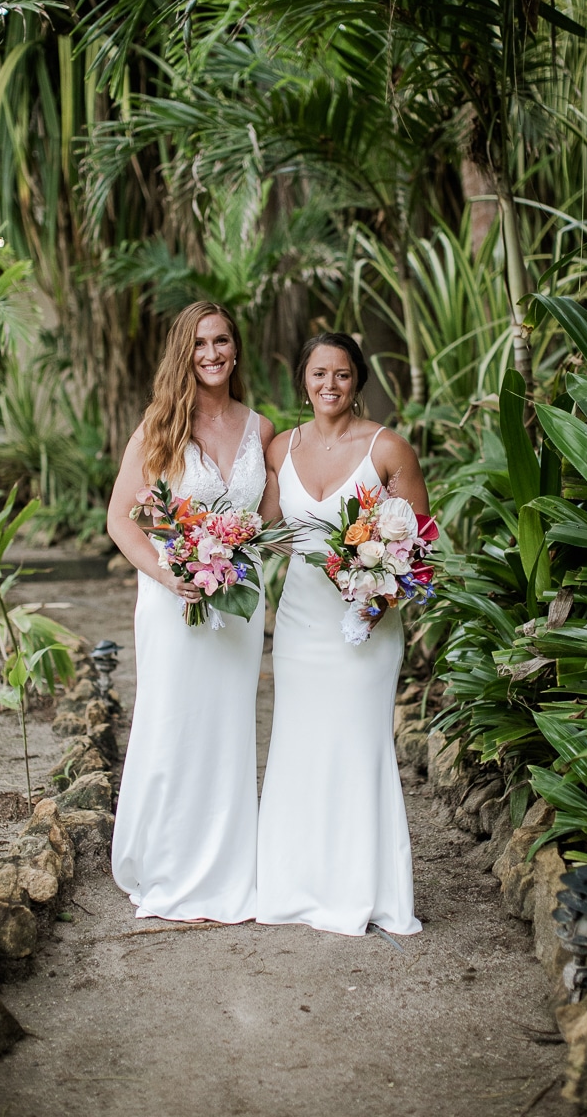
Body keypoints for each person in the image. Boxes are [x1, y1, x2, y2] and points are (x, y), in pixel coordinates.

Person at [256, 332, 429, 937]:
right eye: (319, 374)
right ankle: (295, 886)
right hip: (301, 622)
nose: (330, 386)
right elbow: (263, 527)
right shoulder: (280, 447)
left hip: (366, 626)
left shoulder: (387, 449)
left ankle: (362, 889)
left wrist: (376, 600)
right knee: (301, 745)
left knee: (357, 748)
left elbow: (418, 548)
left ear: (358, 382)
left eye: (343, 376)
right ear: (303, 380)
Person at [107, 301, 274, 923]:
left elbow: (273, 517)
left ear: (236, 349)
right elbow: (121, 518)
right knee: (174, 723)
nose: (212, 353)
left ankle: (229, 866)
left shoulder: (261, 429)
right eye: (200, 343)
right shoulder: (161, 428)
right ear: (185, 352)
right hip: (173, 601)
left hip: (239, 604)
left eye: (222, 341)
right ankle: (169, 862)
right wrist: (168, 572)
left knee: (228, 728)